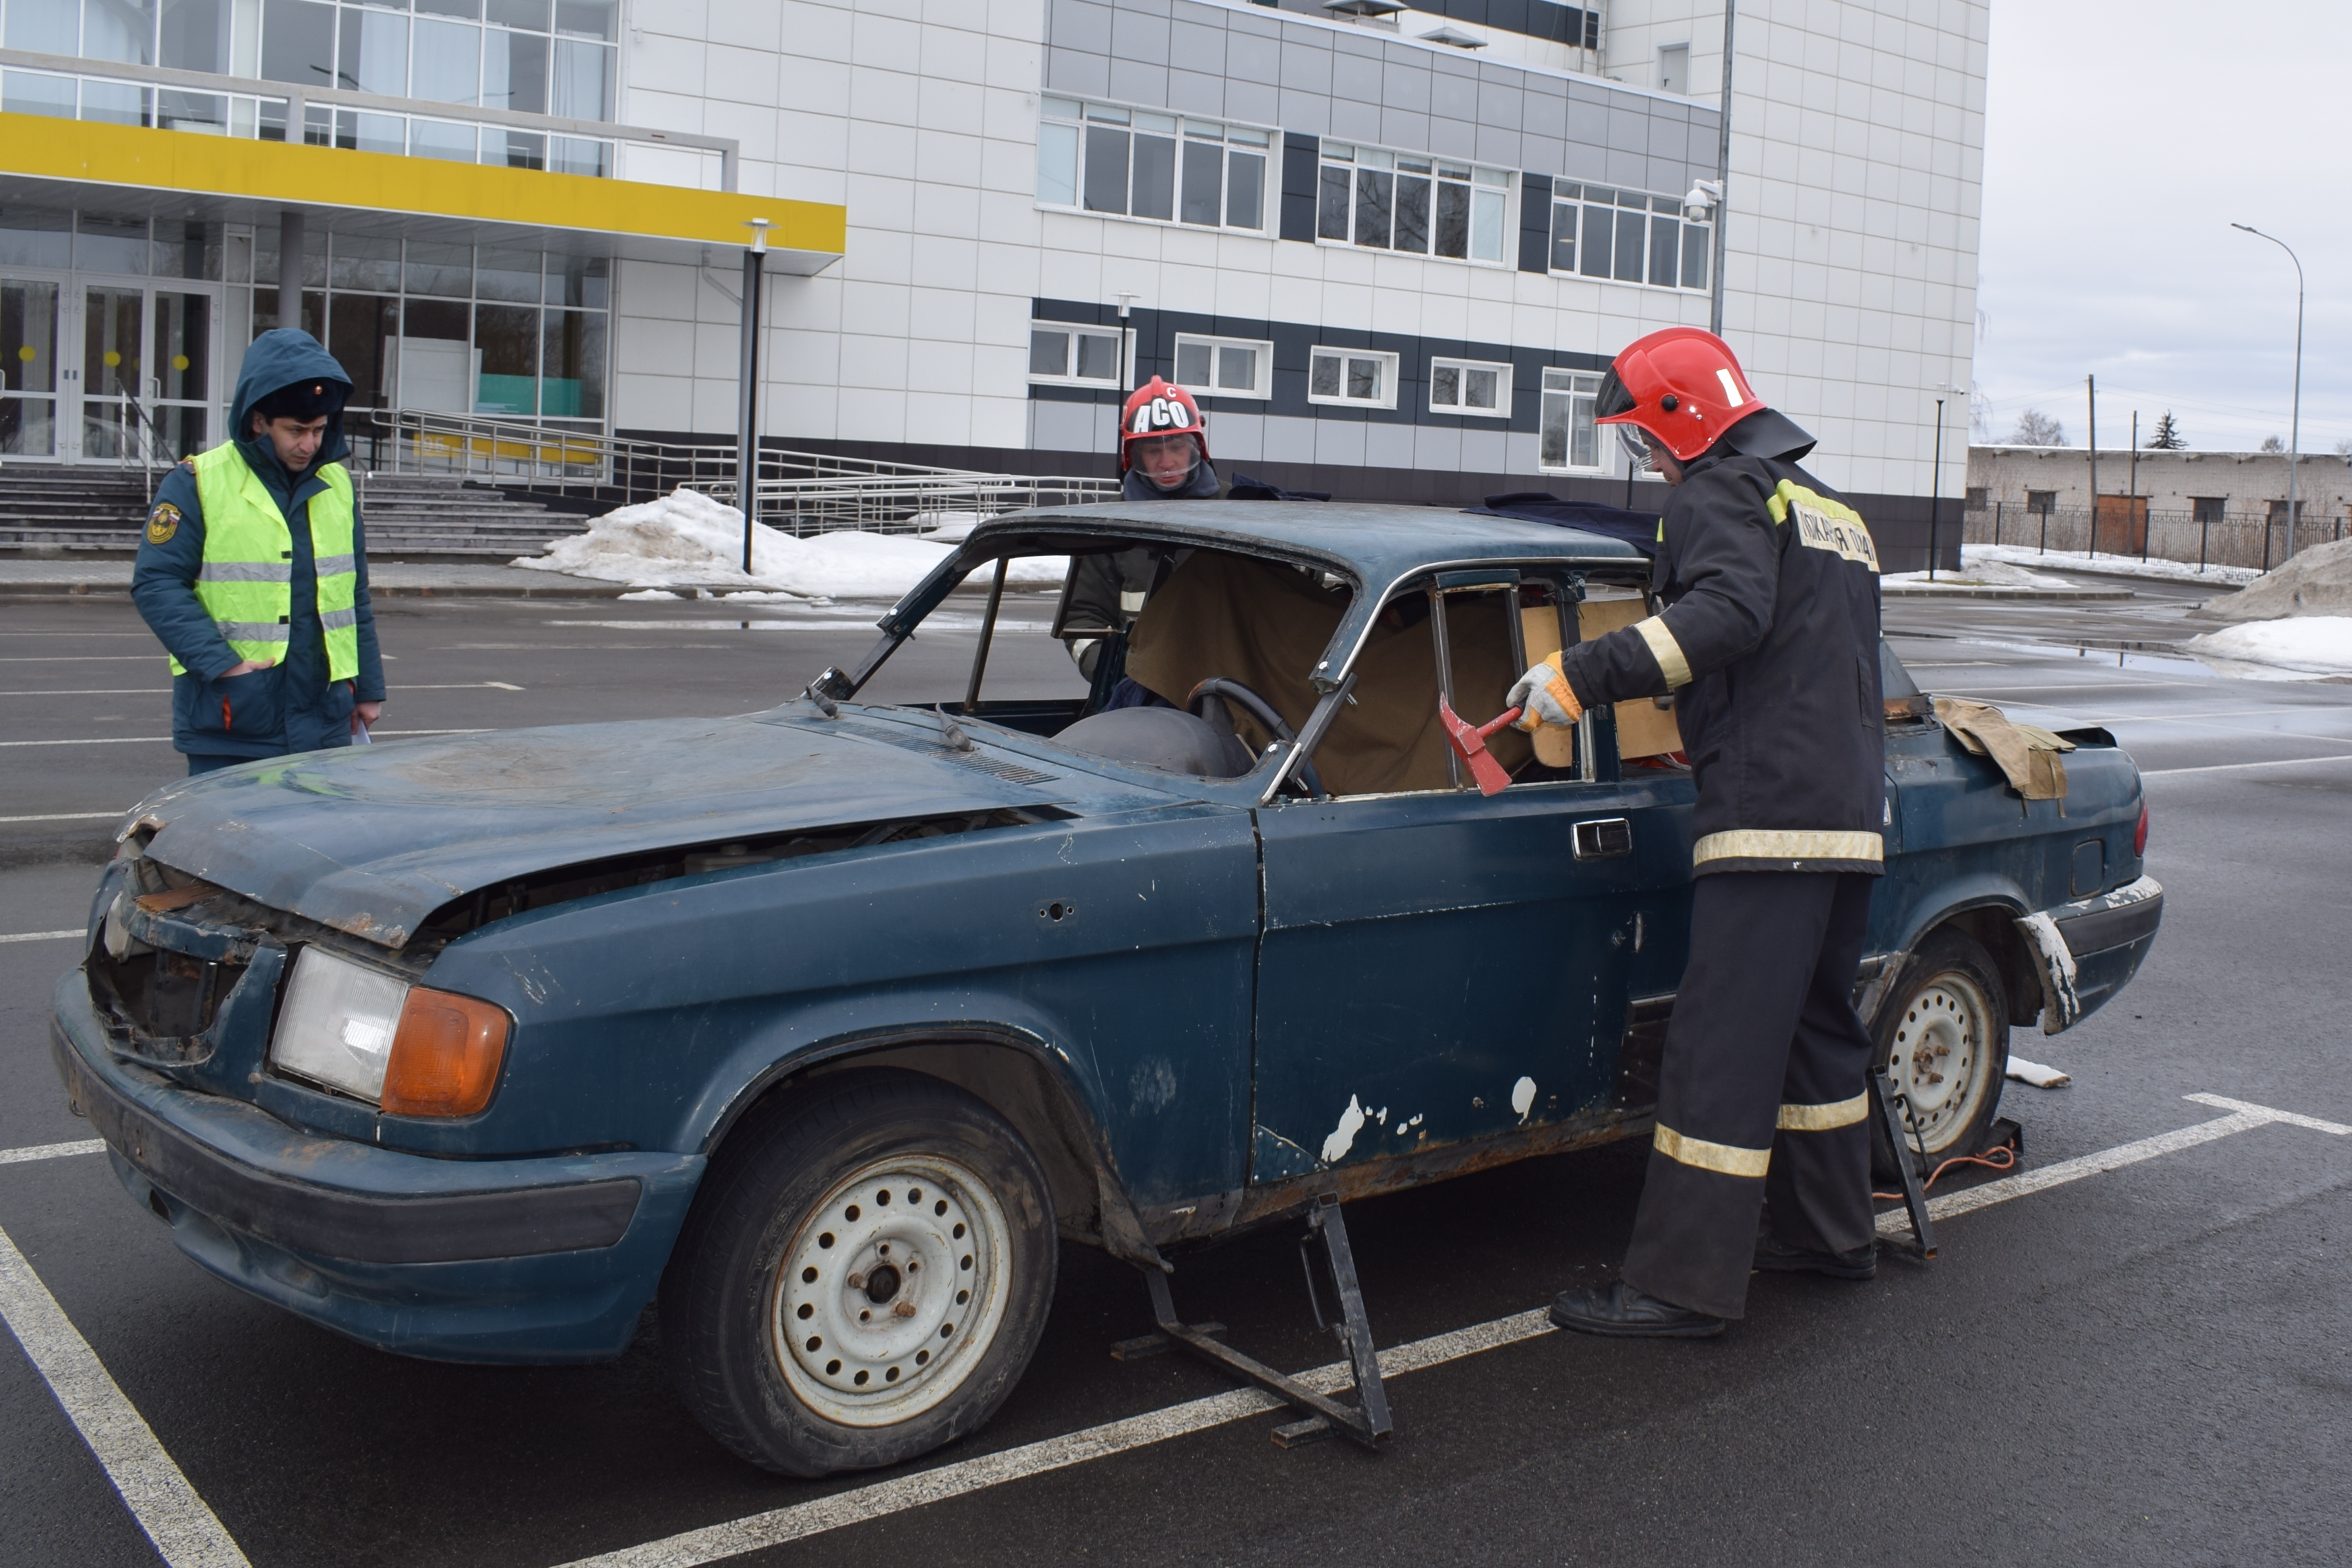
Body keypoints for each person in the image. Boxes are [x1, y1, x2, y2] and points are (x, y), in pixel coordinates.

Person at [1508, 327, 1888, 1338]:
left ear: (1682, 421)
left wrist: (1575, 676)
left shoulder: (1718, 492)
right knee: (1817, 1034)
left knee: (1719, 1047)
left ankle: (1682, 1287)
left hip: (1769, 817)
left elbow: (1726, 617)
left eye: (1643, 441)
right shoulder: (1831, 509)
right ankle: (1829, 1233)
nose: (1649, 465)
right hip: (1847, 812)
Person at [132, 329, 386, 776]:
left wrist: (366, 688)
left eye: (319, 430)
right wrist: (224, 666)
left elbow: (353, 596)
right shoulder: (196, 481)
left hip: (327, 716)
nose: (309, 445)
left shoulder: (338, 485)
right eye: (296, 431)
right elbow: (157, 583)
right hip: (236, 715)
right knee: (230, 844)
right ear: (257, 421)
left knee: (318, 841)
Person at [1065, 376, 1218, 686]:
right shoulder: (1107, 526)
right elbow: (1083, 621)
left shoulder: (1240, 509)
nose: (1166, 462)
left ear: (1196, 447)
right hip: (1138, 689)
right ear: (1133, 455)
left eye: (1177, 447)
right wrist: (1113, 677)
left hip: (1230, 690)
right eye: (1152, 451)